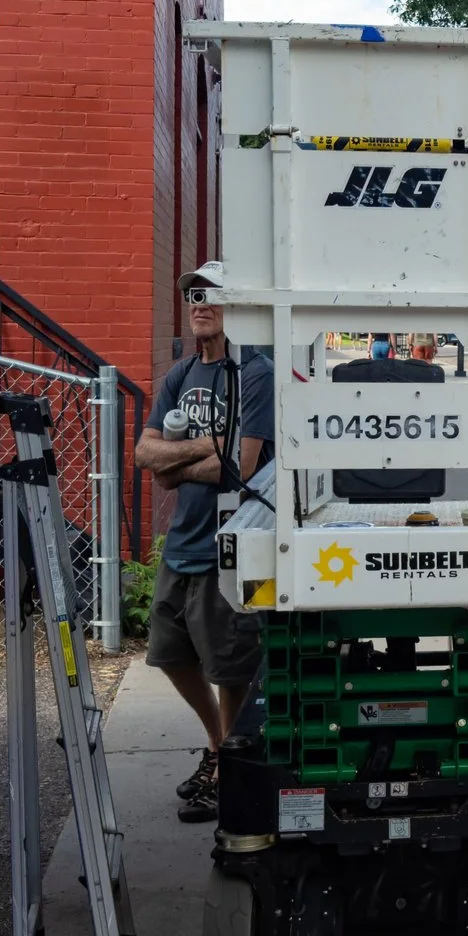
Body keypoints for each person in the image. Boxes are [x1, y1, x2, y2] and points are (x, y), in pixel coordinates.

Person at [133, 264, 271, 823]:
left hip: (227, 545)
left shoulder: (254, 374)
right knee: (169, 653)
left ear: (236, 305)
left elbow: (242, 466)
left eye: (213, 295)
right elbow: (144, 453)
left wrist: (177, 463)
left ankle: (229, 769)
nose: (200, 304)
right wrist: (206, 446)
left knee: (230, 668)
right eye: (194, 295)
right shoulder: (181, 374)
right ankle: (217, 744)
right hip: (181, 543)